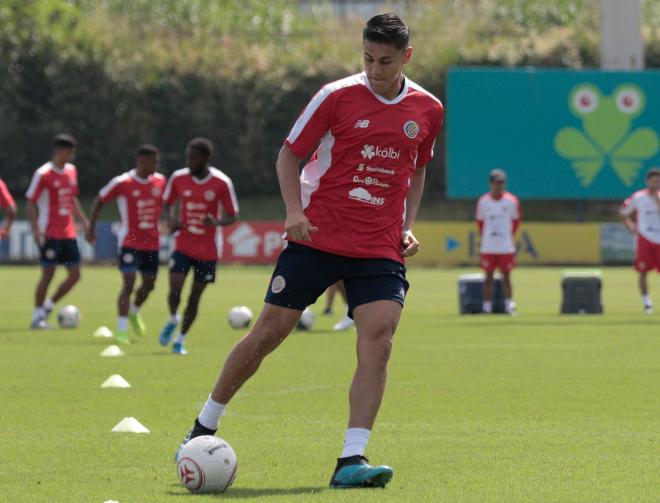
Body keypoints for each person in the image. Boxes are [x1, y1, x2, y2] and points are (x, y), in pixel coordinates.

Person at [174, 13, 444, 489]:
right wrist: (293, 212)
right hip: (317, 236)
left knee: (378, 339)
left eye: (385, 61)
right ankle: (203, 425)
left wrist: (408, 226)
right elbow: (288, 155)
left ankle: (351, 460)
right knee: (268, 333)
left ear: (407, 56)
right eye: (367, 58)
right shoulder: (336, 96)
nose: (375, 69)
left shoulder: (427, 108)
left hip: (379, 245)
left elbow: (417, 169)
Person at [158, 138, 238, 355]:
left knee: (194, 297)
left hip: (208, 251)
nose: (189, 161)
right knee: (174, 289)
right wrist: (170, 219)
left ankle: (180, 340)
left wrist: (216, 222)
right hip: (182, 244)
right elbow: (166, 204)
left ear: (205, 158)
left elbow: (232, 215)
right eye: (187, 157)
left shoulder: (221, 182)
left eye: (193, 158)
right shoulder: (178, 178)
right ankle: (173, 318)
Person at [86, 144, 167, 344]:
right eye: (153, 161)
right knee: (128, 281)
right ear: (141, 161)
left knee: (149, 284)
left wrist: (169, 221)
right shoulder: (123, 182)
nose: (156, 165)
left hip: (152, 242)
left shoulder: (160, 181)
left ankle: (134, 311)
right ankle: (121, 331)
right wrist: (91, 226)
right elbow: (100, 199)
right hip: (129, 241)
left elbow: (165, 204)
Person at [26, 134, 89, 329]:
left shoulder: (71, 171)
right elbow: (30, 201)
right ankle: (37, 318)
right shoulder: (43, 173)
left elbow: (72, 198)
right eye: (69, 151)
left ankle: (48, 306)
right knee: (48, 274)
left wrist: (85, 221)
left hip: (68, 232)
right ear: (58, 151)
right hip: (49, 232)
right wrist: (36, 228)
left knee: (75, 274)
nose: (72, 156)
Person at [476, 169, 521, 315]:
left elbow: (515, 222)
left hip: (505, 246)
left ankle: (509, 305)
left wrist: (506, 235)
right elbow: (480, 223)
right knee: (488, 277)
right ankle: (487, 307)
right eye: (496, 183)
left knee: (506, 276)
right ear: (491, 184)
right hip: (488, 246)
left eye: (501, 183)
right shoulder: (484, 202)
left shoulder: (511, 201)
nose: (499, 186)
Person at [619, 167, 660, 314]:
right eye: (653, 181)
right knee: (643, 271)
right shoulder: (638, 197)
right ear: (647, 181)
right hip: (645, 238)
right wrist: (630, 226)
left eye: (658, 181)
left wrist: (657, 200)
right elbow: (623, 212)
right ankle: (647, 303)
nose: (655, 183)